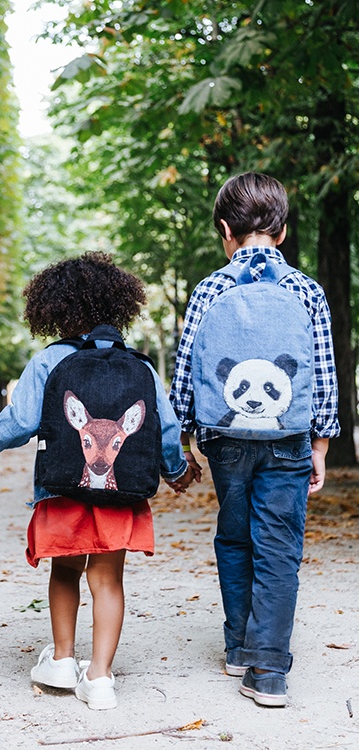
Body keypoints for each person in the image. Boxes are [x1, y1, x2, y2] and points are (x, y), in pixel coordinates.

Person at [0, 252, 196, 710]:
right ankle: (101, 678)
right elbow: (165, 428)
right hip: (120, 494)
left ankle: (63, 662)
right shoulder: (140, 366)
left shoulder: (50, 360)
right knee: (108, 580)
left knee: (64, 570)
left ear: (55, 309)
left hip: (61, 489)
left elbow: (21, 418)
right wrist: (178, 470)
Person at [170, 172, 340, 706]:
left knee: (235, 534)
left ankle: (239, 647)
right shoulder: (306, 290)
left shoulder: (210, 289)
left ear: (225, 230)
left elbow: (186, 370)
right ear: (283, 231)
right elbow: (324, 372)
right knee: (280, 546)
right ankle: (268, 672)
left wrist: (183, 436)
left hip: (226, 438)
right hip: (289, 434)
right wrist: (321, 444)